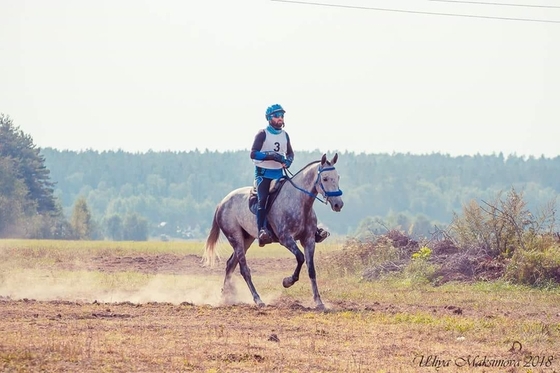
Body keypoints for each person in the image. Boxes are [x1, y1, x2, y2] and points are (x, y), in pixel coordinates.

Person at [250, 104, 294, 246]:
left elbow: (290, 153)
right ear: (269, 118)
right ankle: (262, 230)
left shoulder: (285, 135)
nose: (280, 118)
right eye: (277, 116)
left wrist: (288, 161)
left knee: (296, 195)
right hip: (264, 174)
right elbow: (253, 153)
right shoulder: (262, 133)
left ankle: (312, 228)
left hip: (279, 174)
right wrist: (272, 155)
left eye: (282, 115)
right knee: (262, 200)